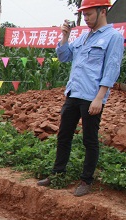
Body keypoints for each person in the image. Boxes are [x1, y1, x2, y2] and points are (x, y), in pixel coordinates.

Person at [37, 0, 124, 197]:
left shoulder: (113, 38)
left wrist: (99, 98)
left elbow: (111, 69)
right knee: (64, 136)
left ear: (103, 11)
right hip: (73, 94)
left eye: (89, 14)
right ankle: (58, 174)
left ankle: (86, 180)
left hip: (92, 97)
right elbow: (64, 56)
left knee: (89, 139)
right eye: (83, 14)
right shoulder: (84, 38)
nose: (85, 18)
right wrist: (65, 37)